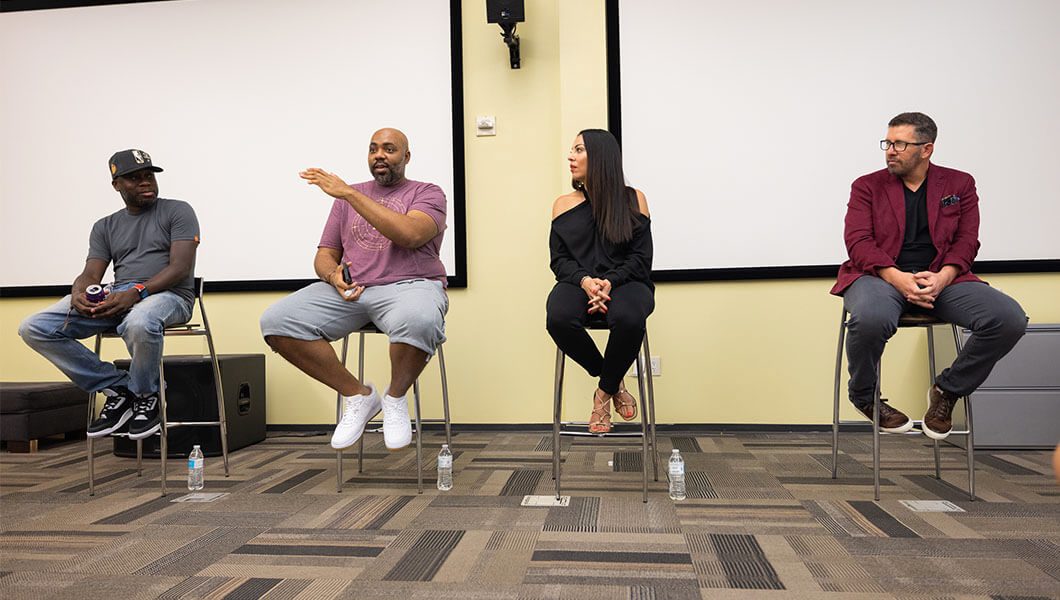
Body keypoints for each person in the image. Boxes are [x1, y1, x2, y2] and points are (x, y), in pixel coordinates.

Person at [832, 112, 1027, 438]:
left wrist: (944, 276)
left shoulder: (959, 184)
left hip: (942, 278)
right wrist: (898, 278)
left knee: (1009, 319)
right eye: (888, 143)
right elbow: (858, 242)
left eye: (900, 144)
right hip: (879, 276)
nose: (890, 150)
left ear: (927, 149)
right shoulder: (867, 186)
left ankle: (948, 390)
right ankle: (864, 395)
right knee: (870, 317)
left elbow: (967, 240)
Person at [260, 128, 448, 451]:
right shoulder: (347, 198)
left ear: (406, 157)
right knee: (276, 321)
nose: (379, 155)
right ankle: (359, 396)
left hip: (410, 286)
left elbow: (410, 234)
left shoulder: (428, 193)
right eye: (373, 149)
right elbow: (324, 254)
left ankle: (395, 397)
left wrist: (348, 193)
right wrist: (333, 275)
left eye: (389, 149)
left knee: (420, 319)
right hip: (354, 290)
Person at [19, 149, 200, 440]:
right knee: (35, 327)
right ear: (117, 184)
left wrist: (137, 293)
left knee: (139, 321)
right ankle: (118, 386)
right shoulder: (105, 226)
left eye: (148, 176)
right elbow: (92, 273)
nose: (145, 183)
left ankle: (146, 396)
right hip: (118, 296)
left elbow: (180, 268)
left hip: (169, 297)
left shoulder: (178, 211)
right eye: (134, 178)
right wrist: (79, 291)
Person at [546, 129, 654, 434]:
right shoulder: (563, 204)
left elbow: (640, 258)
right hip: (579, 283)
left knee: (631, 317)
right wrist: (585, 282)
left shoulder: (634, 199)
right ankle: (613, 380)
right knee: (558, 317)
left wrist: (610, 282)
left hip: (628, 282)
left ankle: (601, 397)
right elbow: (560, 261)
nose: (570, 156)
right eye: (571, 149)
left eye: (579, 150)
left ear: (601, 157)